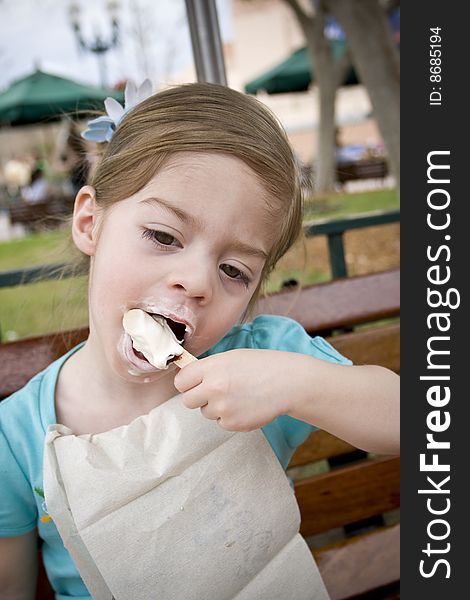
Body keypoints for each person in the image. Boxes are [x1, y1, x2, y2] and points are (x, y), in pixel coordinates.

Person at [0, 82, 399, 598]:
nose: (198, 280)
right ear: (90, 223)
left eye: (234, 269)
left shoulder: (261, 360)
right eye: (164, 236)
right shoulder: (17, 436)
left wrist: (298, 384)